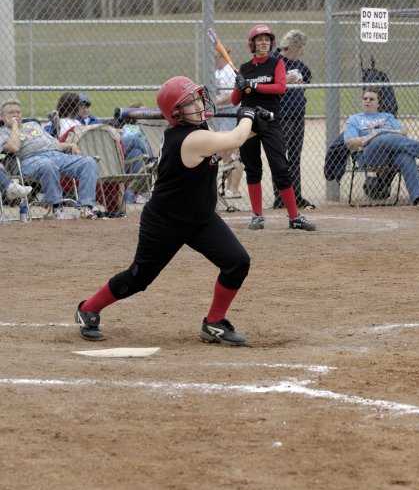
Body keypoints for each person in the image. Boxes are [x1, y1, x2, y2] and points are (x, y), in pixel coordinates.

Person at [74, 75, 272, 345]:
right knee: (138, 279)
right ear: (175, 114)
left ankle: (214, 323)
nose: (199, 105)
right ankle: (88, 309)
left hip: (200, 219)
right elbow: (234, 138)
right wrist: (247, 115)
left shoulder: (198, 131)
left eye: (198, 99)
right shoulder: (187, 139)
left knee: (237, 262)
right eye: (189, 103)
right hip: (165, 222)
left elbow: (231, 141)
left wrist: (255, 125)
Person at [231, 23, 316, 231]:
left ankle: (294, 217)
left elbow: (280, 87)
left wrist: (253, 85)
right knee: (253, 169)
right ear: (252, 44)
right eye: (259, 40)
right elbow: (235, 100)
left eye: (267, 40)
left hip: (270, 121)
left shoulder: (276, 63)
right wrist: (239, 85)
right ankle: (257, 216)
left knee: (280, 168)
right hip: (248, 122)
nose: (264, 43)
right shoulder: (244, 68)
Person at [0, 99, 99, 219]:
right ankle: (57, 207)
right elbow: (14, 147)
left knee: (89, 162)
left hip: (56, 154)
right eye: (11, 112)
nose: (16, 115)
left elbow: (54, 144)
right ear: (2, 116)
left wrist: (70, 145)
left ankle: (86, 207)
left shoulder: (33, 125)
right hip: (30, 160)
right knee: (48, 164)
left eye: (18, 112)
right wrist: (14, 126)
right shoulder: (3, 132)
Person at [344, 87, 419, 205]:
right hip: (368, 155)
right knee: (380, 138)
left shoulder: (387, 116)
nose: (367, 101)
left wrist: (386, 132)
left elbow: (403, 131)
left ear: (379, 104)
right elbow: (349, 142)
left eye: (371, 99)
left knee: (405, 157)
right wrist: (371, 136)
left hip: (391, 155)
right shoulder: (354, 119)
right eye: (365, 98)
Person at [271, 29, 315, 210]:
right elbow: (267, 83)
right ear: (294, 47)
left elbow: (308, 77)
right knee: (280, 158)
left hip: (298, 116)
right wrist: (283, 80)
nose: (302, 52)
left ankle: (296, 196)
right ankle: (280, 197)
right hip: (282, 116)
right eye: (301, 48)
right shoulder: (274, 61)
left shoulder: (300, 65)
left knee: (295, 157)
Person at [214, 50, 243, 197]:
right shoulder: (217, 72)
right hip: (219, 114)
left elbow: (232, 96)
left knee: (231, 152)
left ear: (223, 57)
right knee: (224, 153)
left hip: (230, 112)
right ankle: (229, 189)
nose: (214, 60)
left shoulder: (230, 72)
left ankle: (234, 189)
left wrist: (215, 103)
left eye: (216, 57)